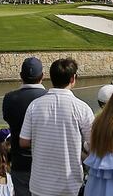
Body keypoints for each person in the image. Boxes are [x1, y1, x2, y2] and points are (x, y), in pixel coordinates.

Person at [19, 58, 94, 196]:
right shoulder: (82, 108)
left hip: (39, 185)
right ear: (73, 78)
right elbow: (94, 145)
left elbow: (24, 141)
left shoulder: (35, 105)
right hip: (70, 186)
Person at [1, 57, 46, 196]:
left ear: (21, 76)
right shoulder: (49, 98)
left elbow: (8, 119)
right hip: (44, 162)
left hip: (20, 161)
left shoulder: (9, 98)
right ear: (42, 76)